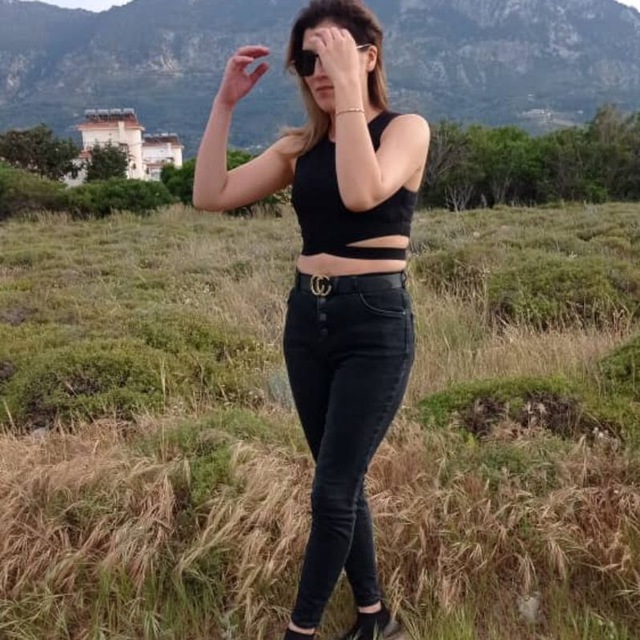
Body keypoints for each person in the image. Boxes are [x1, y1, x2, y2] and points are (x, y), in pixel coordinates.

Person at [193, 1, 430, 638]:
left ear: (368, 58)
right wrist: (224, 104)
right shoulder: (300, 147)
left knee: (331, 491)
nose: (318, 71)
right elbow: (210, 195)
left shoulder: (406, 130)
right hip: (307, 321)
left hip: (373, 324)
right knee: (339, 482)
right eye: (307, 60)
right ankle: (375, 618)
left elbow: (362, 191)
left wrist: (349, 98)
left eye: (331, 55)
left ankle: (299, 631)